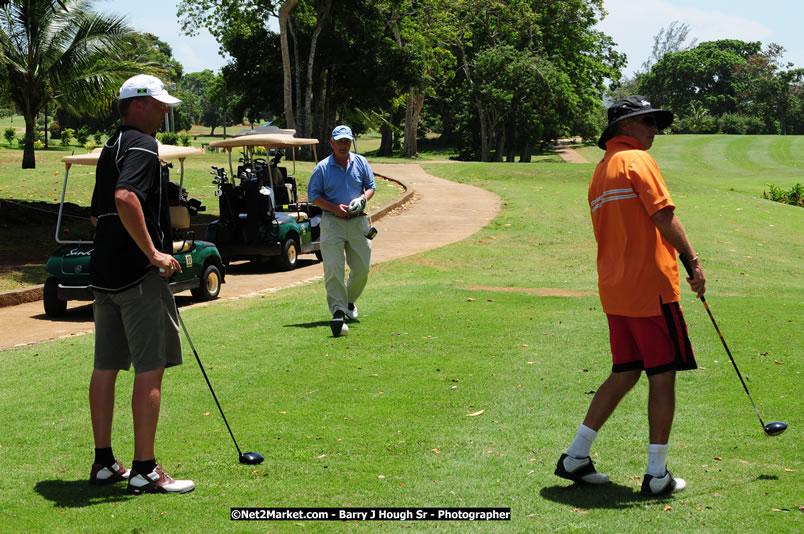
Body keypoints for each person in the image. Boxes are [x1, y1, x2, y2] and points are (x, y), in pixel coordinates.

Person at [554, 96, 706, 497]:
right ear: (626, 127)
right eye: (648, 121)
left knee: (626, 371)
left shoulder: (601, 170)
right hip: (649, 289)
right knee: (662, 374)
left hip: (617, 290)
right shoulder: (638, 161)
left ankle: (575, 457)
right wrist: (692, 261)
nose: (655, 128)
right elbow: (663, 215)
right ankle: (657, 475)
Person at [88, 74, 194, 494]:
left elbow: (98, 215)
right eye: (159, 103)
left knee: (106, 366)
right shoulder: (143, 146)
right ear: (137, 105)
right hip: (137, 277)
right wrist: (153, 253)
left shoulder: (110, 147)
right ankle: (145, 469)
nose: (165, 110)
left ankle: (102, 464)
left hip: (104, 276)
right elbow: (125, 198)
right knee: (150, 370)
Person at [308, 125, 376, 337]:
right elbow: (313, 196)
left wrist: (362, 198)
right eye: (340, 141)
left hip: (358, 223)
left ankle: (347, 301)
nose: (343, 145)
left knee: (362, 269)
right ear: (332, 142)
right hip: (332, 222)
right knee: (333, 268)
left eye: (347, 141)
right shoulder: (322, 168)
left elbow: (371, 186)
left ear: (351, 142)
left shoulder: (361, 162)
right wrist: (334, 208)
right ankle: (337, 311)